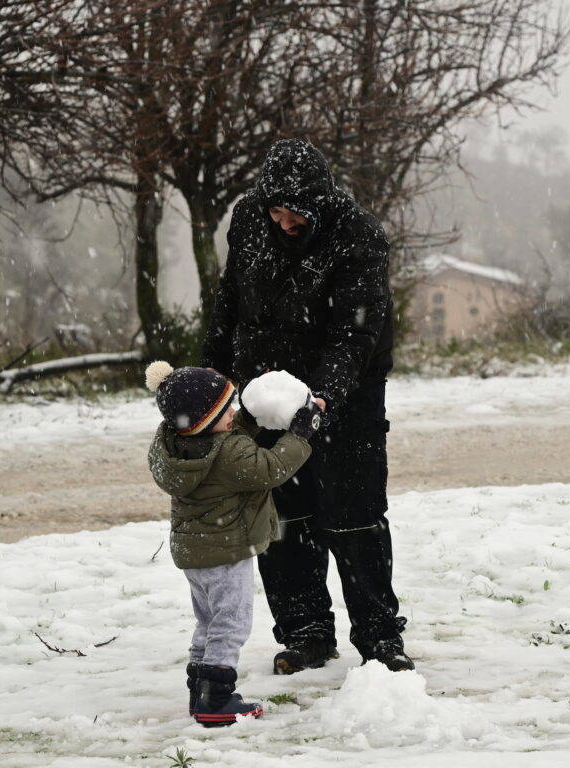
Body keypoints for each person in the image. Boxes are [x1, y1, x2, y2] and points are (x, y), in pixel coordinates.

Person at [202, 138, 413, 673]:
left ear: (319, 201)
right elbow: (229, 303)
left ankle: (379, 639)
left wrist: (322, 398)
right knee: (281, 515)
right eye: (274, 210)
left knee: (353, 514)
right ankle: (306, 632)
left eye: (293, 213)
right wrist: (212, 380)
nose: (282, 222)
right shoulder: (249, 218)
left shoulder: (358, 236)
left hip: (348, 393)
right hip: (265, 390)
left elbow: (355, 335)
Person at [145, 360, 321, 727]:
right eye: (227, 410)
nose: (234, 413)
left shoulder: (178, 444)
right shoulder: (229, 456)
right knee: (232, 622)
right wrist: (303, 433)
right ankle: (217, 697)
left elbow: (224, 434)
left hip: (195, 553)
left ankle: (201, 689)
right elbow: (271, 467)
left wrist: (247, 419)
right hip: (226, 551)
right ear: (206, 420)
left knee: (208, 621)